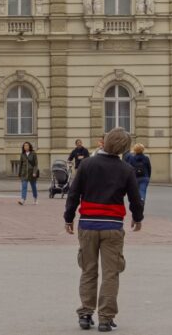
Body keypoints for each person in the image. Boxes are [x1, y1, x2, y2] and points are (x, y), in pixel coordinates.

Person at [64, 128, 143, 332]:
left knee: (88, 270)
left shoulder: (87, 164)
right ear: (124, 148)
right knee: (111, 273)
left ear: (105, 142)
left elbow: (74, 193)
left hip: (88, 224)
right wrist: (137, 218)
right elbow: (135, 198)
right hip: (112, 226)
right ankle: (106, 318)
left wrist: (68, 218)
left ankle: (85, 314)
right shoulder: (126, 169)